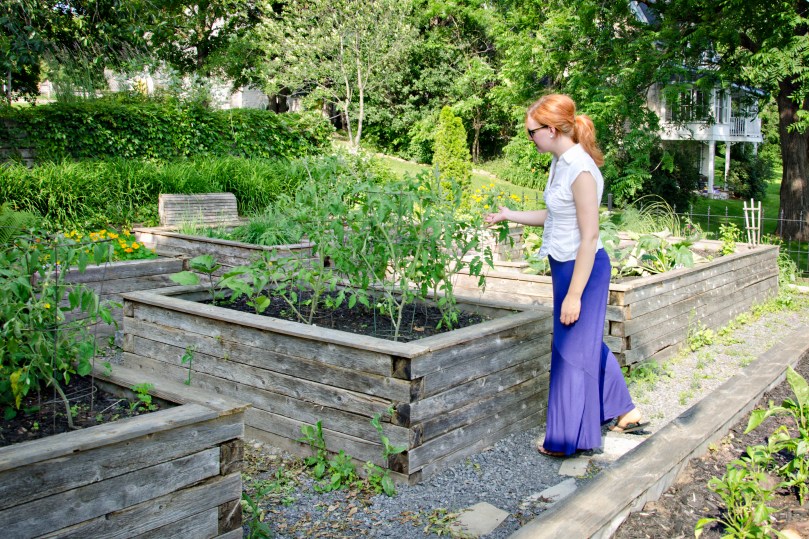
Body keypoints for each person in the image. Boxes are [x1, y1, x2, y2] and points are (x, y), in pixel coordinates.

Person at [485, 94, 647, 457]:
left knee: (570, 351)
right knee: (583, 344)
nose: (530, 140)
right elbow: (555, 216)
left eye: (531, 133)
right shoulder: (560, 163)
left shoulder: (582, 170)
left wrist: (575, 295)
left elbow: (589, 237)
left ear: (552, 129)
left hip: (584, 270)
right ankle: (626, 410)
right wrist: (510, 215)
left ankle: (567, 439)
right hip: (565, 265)